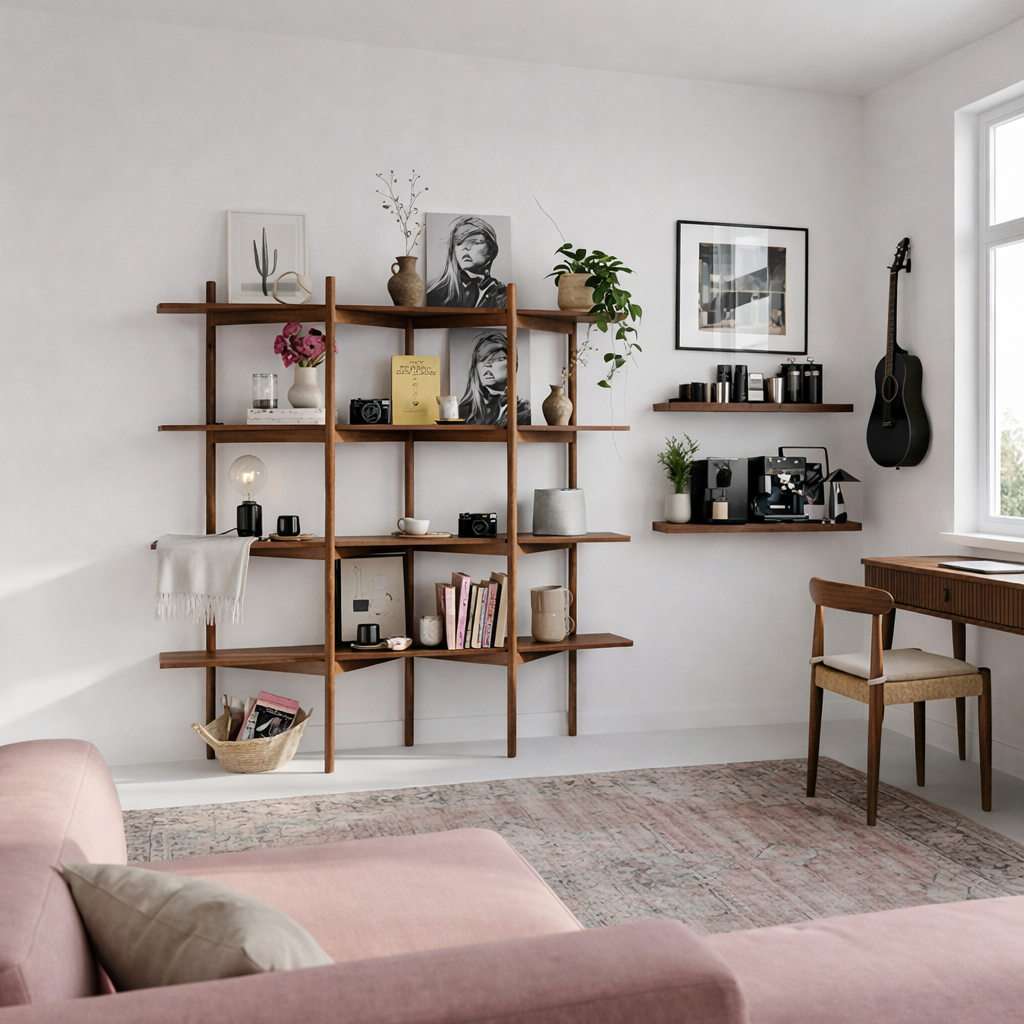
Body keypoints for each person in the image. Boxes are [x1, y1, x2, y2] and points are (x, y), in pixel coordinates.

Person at [427, 216, 507, 308]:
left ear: (491, 250)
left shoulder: (503, 294)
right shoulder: (437, 294)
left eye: (475, 242)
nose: (465, 248)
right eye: (459, 243)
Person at [458, 332, 530, 425]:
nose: (487, 364)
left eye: (498, 359)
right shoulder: (464, 411)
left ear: (513, 365)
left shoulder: (524, 412)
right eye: (482, 359)